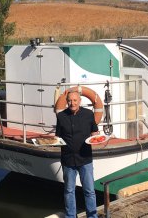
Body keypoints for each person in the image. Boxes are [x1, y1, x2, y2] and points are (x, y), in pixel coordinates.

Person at [55, 90, 99, 218]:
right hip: (68, 159)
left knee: (89, 191)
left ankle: (92, 216)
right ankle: (70, 216)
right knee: (69, 191)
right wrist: (49, 142)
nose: (72, 103)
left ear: (80, 101)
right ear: (67, 101)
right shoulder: (61, 116)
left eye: (75, 100)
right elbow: (57, 137)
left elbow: (94, 133)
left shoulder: (89, 114)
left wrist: (99, 138)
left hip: (85, 158)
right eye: (69, 100)